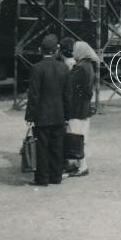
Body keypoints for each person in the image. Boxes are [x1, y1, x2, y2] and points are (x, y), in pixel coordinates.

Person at [25, 34, 72, 186]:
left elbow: (34, 95)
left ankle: (42, 179)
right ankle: (56, 177)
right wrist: (67, 115)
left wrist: (29, 116)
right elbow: (67, 95)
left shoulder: (37, 68)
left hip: (42, 116)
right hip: (59, 115)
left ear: (41, 50)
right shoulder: (63, 67)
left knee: (42, 147)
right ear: (56, 50)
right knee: (57, 147)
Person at [66, 41, 100, 178]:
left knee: (76, 137)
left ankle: (82, 166)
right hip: (84, 108)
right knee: (80, 137)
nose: (73, 52)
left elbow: (69, 85)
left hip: (77, 108)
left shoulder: (81, 67)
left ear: (81, 52)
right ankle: (77, 164)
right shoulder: (88, 66)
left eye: (75, 50)